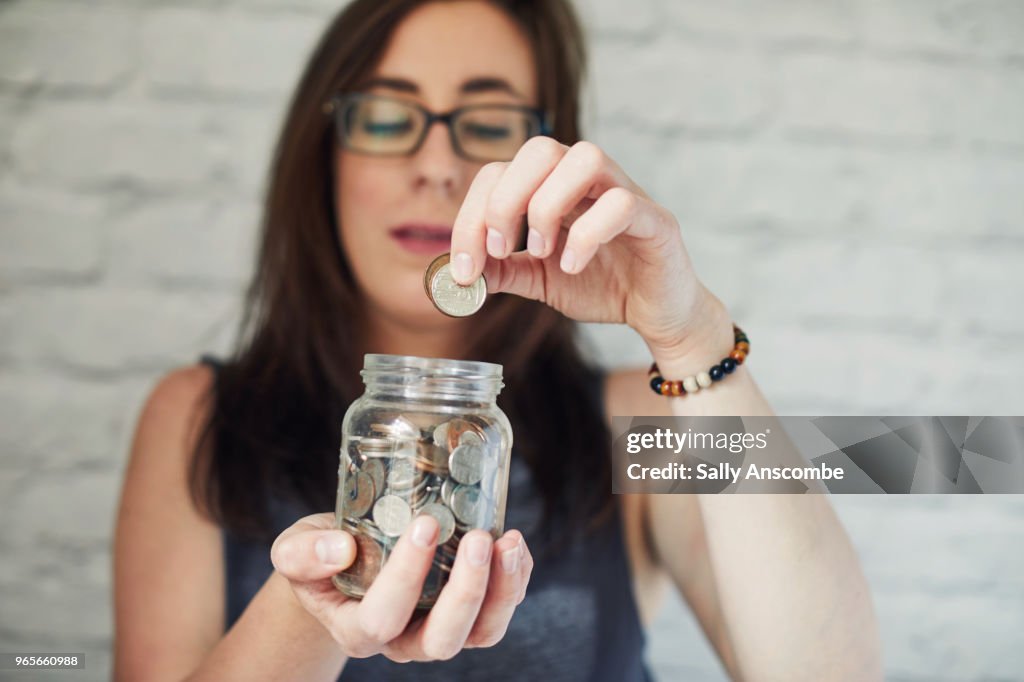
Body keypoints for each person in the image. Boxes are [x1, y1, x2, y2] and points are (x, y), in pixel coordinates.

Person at [112, 0, 882, 680]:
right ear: (323, 158)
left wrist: (690, 338)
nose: (438, 166)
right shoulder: (197, 414)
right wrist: (307, 603)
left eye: (487, 124)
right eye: (385, 117)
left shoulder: (630, 427)